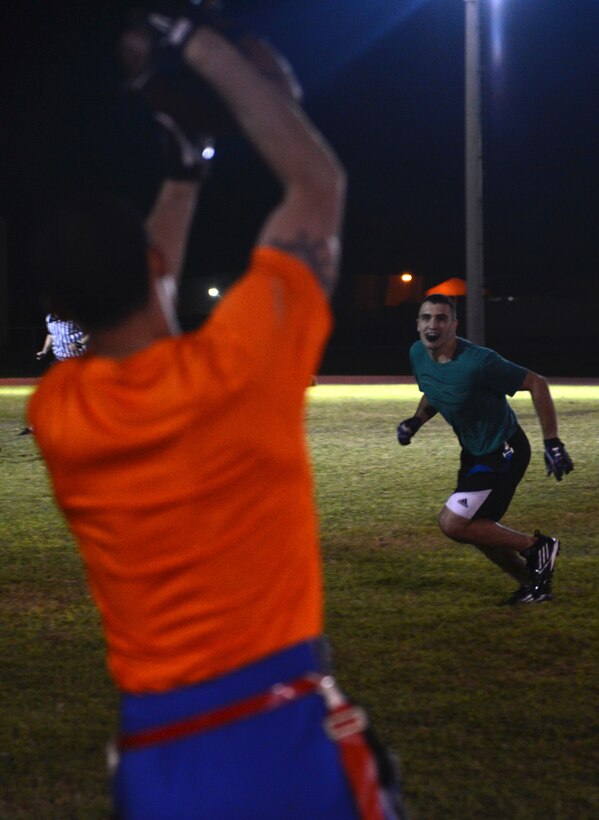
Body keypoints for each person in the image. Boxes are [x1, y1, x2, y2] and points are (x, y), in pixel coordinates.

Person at [29, 16, 403, 820]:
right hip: (282, 733)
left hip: (159, 760)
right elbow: (317, 183)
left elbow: (145, 296)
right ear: (152, 264)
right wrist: (199, 45)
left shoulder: (60, 415)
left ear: (61, 309)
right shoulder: (238, 371)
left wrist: (186, 168)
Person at [397, 293, 573, 605]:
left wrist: (552, 442)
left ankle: (536, 547)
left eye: (440, 318)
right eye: (426, 318)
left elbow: (537, 382)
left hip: (504, 450)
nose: (432, 324)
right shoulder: (418, 354)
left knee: (453, 523)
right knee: (477, 529)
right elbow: (434, 390)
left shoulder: (480, 362)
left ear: (454, 325)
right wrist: (416, 421)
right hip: (475, 452)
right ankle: (535, 586)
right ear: (417, 324)